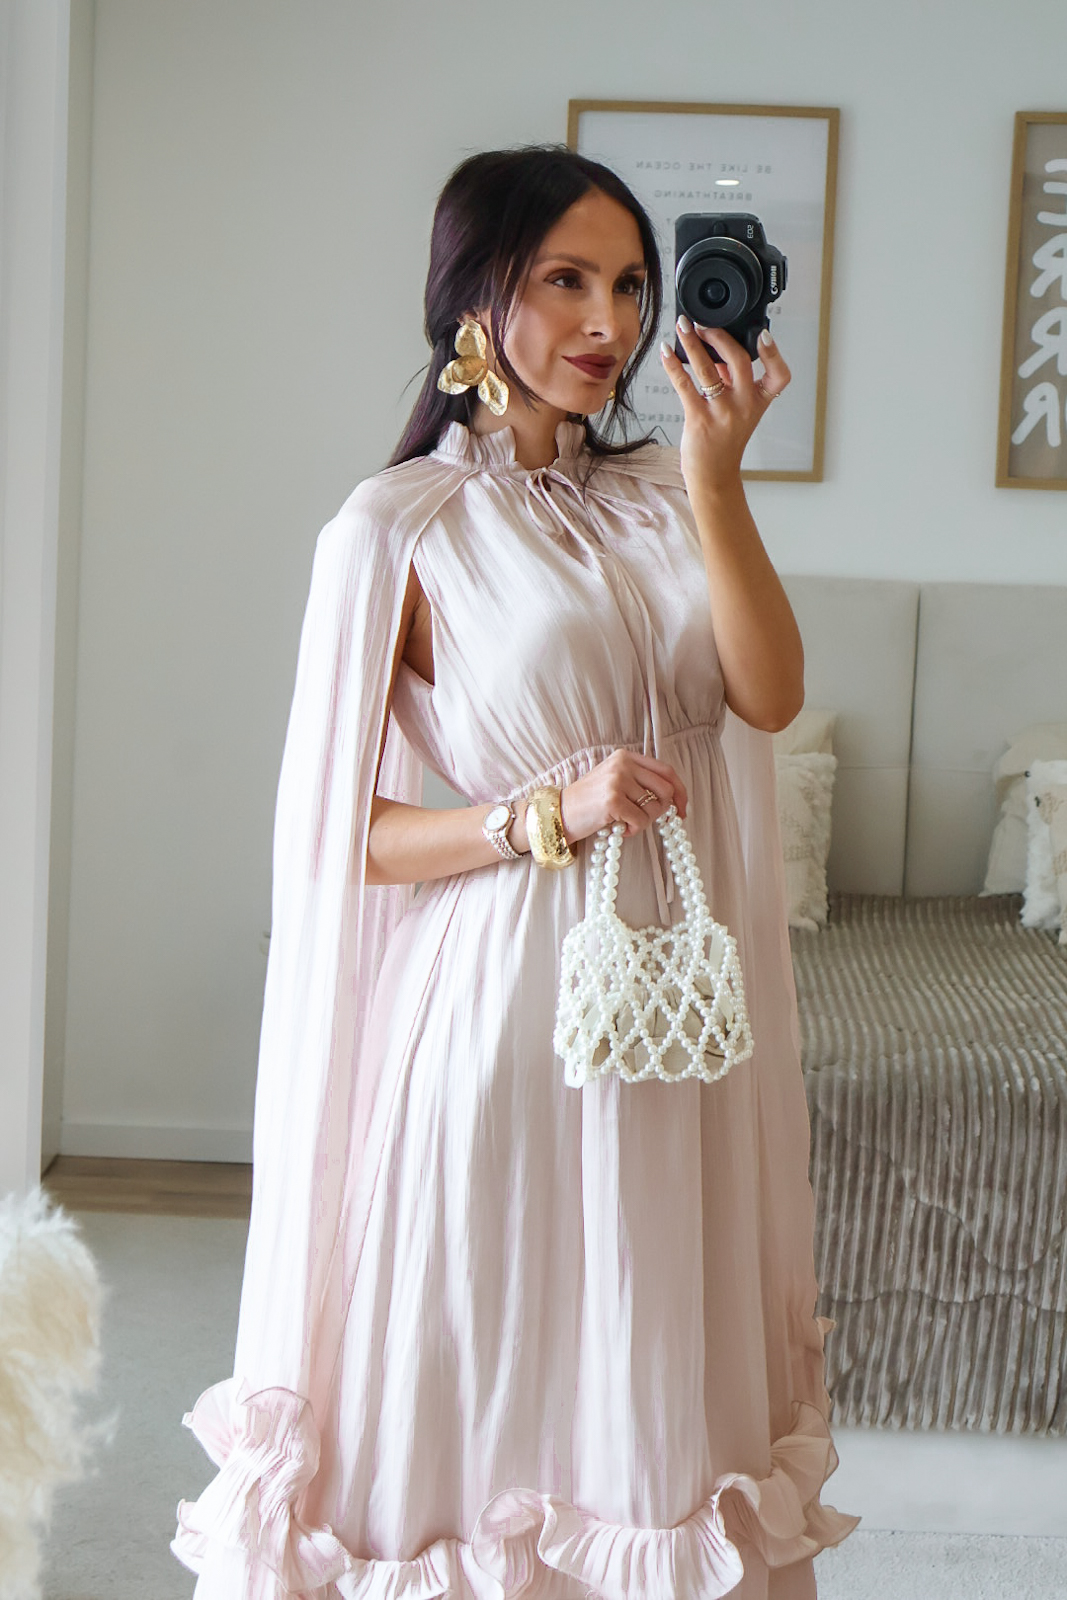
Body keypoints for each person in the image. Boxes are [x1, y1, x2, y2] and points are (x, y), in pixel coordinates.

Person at [173, 145, 858, 1600]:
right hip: (506, 1002)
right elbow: (340, 835)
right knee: (488, 1351)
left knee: (653, 1353)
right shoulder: (396, 529)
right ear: (475, 296)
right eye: (565, 280)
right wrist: (539, 814)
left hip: (683, 1010)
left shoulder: (665, 492)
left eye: (631, 284)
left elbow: (771, 693)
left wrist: (718, 477)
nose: (608, 321)